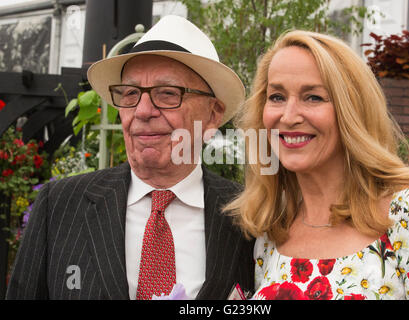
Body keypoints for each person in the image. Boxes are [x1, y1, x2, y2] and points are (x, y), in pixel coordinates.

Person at [6, 15, 254, 300]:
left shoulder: (249, 215)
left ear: (212, 115)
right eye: (130, 93)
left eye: (167, 93)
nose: (142, 110)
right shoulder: (59, 206)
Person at [224, 29, 409, 300]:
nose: (288, 115)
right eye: (277, 97)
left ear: (351, 111)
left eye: (313, 97)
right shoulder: (271, 230)